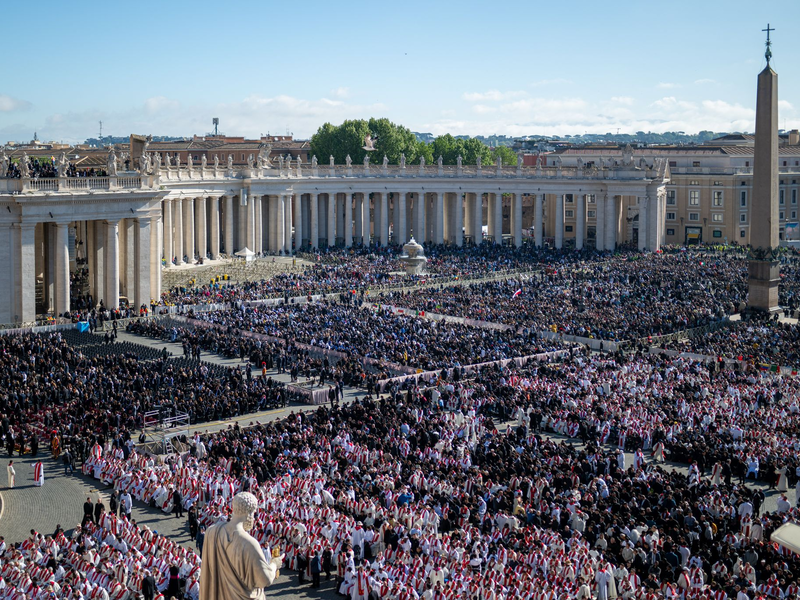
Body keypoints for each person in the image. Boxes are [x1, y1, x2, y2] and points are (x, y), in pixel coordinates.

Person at [199, 492, 283, 600]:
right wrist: (274, 564)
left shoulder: (212, 531)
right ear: (249, 513)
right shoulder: (249, 543)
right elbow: (265, 579)